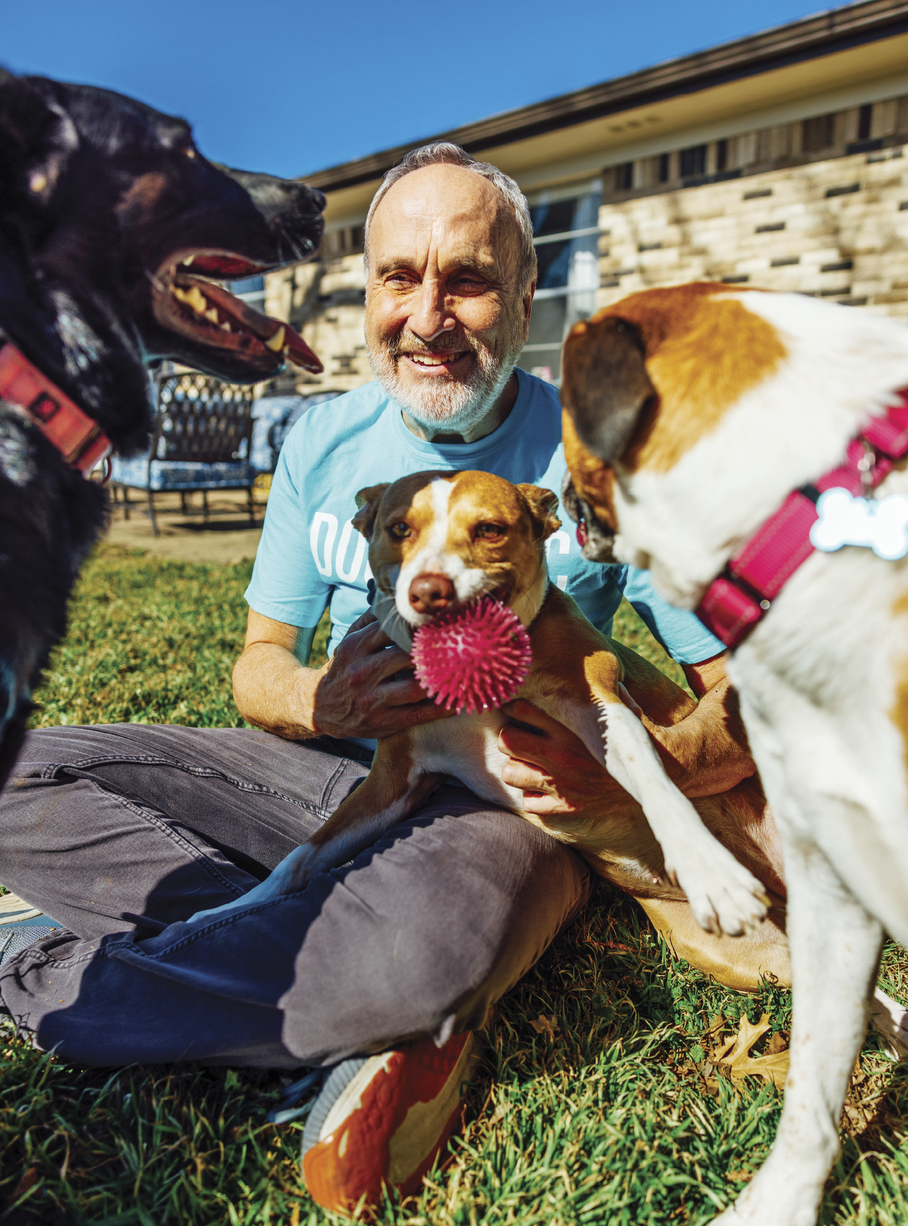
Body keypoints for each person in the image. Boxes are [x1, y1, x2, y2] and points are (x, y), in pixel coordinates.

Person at [0, 144, 753, 1214]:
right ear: (369, 292)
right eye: (400, 276)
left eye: (469, 279)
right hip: (336, 772)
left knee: (409, 957)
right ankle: (336, 991)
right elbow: (257, 664)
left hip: (506, 809)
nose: (428, 313)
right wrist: (322, 699)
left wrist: (636, 774)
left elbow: (742, 694)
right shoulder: (322, 436)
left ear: (526, 294)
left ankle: (51, 964)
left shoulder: (606, 450)